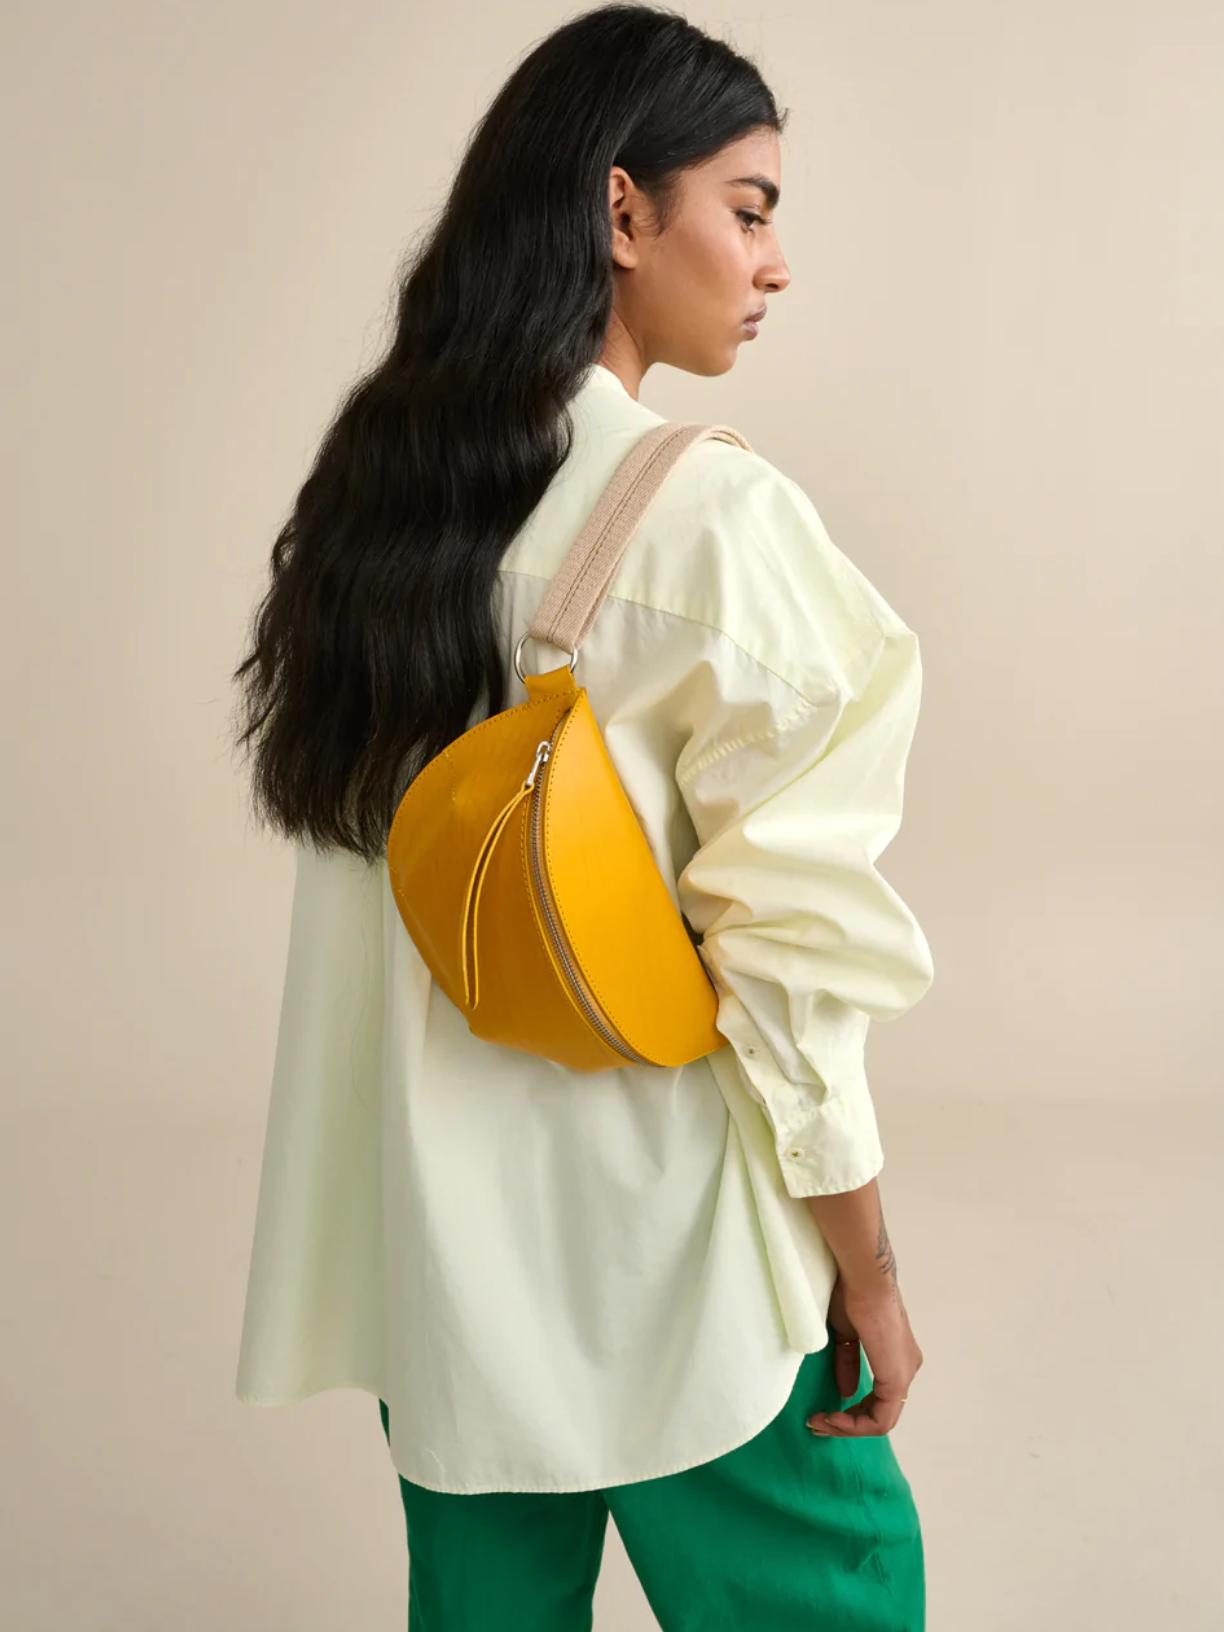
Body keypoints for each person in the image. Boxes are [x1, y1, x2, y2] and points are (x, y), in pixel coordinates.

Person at [231, 5, 936, 1627]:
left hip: (447, 1293)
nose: (773, 265)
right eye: (748, 209)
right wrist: (871, 1272)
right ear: (624, 211)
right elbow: (791, 965)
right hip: (684, 1279)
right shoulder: (714, 521)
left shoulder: (381, 511)